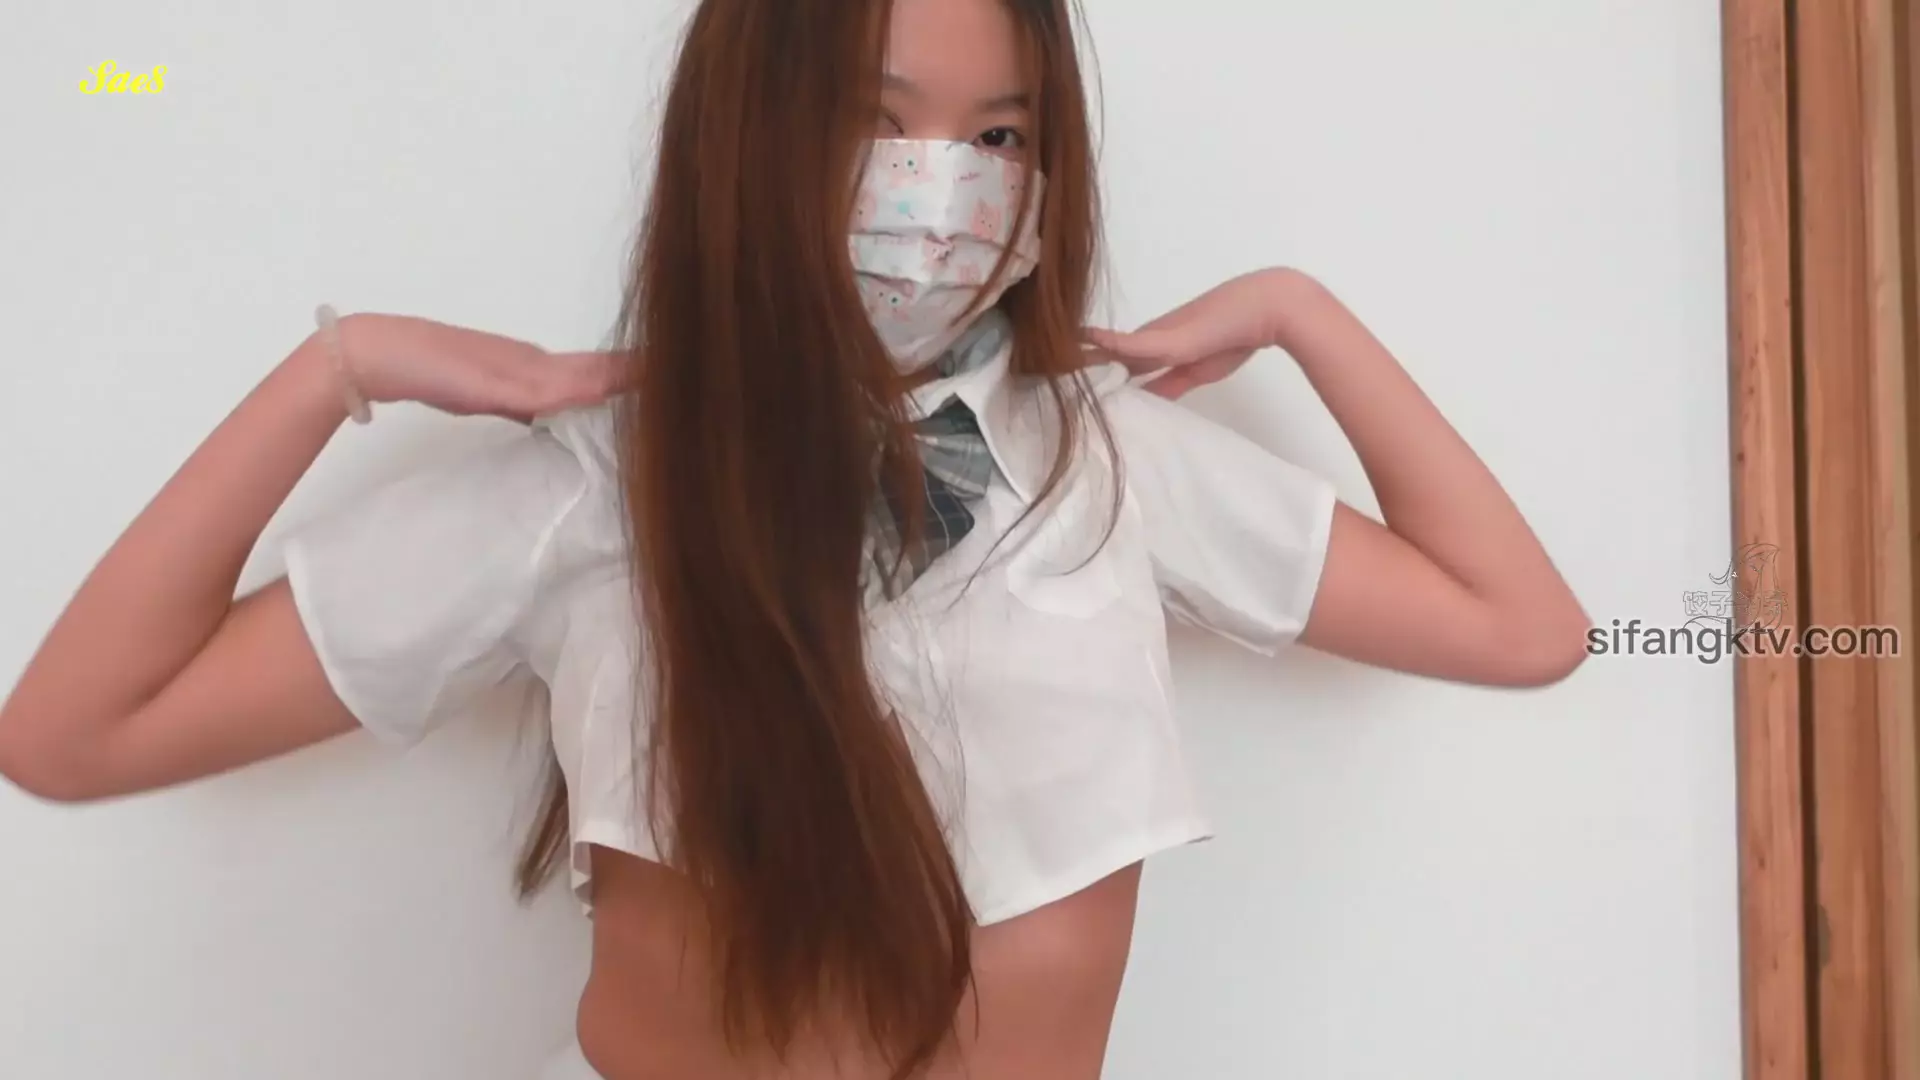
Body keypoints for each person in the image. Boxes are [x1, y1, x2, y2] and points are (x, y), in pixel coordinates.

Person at [0, 0, 1590, 1077]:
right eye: (868, 120)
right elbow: (74, 732)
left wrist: (1303, 313)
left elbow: (1523, 627)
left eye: (1000, 138)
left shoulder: (1111, 465)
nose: (939, 188)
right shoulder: (600, 482)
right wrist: (333, 372)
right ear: (748, 139)